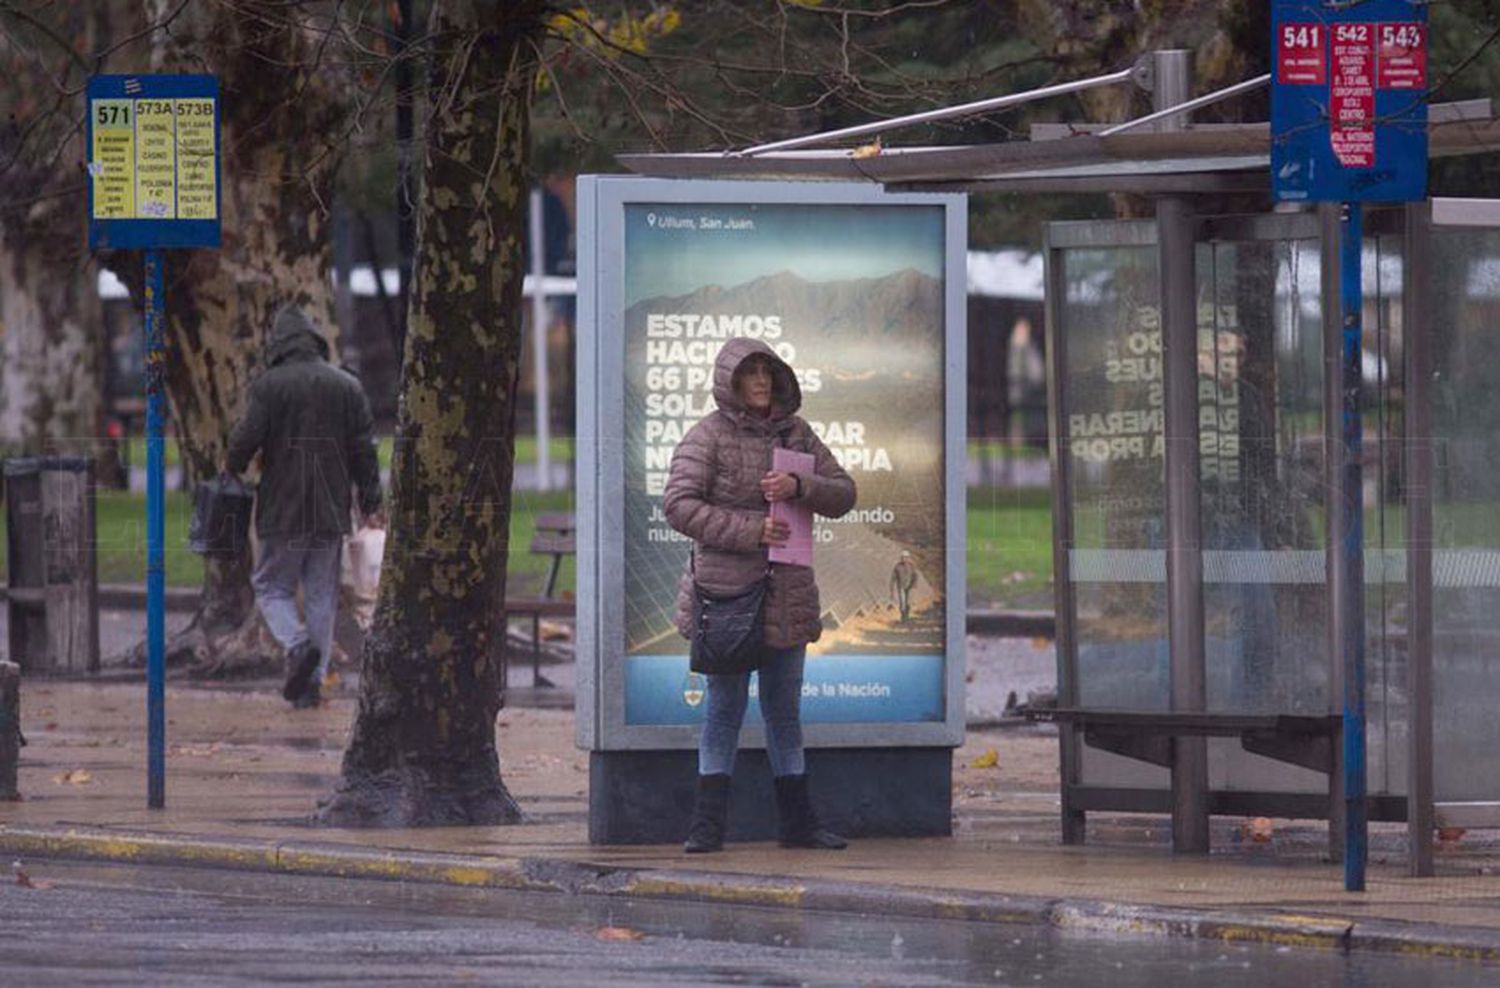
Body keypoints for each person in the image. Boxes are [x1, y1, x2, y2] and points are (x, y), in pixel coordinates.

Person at [663, 338, 856, 854]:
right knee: (723, 710)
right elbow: (678, 505)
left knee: (784, 711)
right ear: (730, 382)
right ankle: (706, 828)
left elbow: (845, 491)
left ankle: (798, 825)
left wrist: (800, 485)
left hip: (788, 592)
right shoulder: (708, 436)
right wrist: (752, 531)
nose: (761, 382)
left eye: (767, 372)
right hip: (726, 595)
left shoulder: (797, 433)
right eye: (750, 374)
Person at [227, 304, 382, 709]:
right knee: (320, 594)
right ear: (314, 340)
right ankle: (312, 681)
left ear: (278, 344)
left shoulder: (270, 385)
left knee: (270, 584)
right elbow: (364, 450)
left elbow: (246, 438)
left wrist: (232, 466)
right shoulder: (347, 386)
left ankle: (296, 646)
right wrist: (371, 502)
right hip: (330, 506)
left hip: (283, 505)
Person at [890, 550, 918, 622]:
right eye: (903, 557)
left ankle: (907, 616)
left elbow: (915, 575)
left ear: (908, 558)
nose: (904, 559)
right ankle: (903, 617)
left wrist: (914, 584)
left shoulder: (912, 566)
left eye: (906, 557)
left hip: (910, 587)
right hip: (901, 587)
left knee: (908, 602)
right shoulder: (897, 566)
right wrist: (892, 590)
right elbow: (893, 578)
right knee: (902, 602)